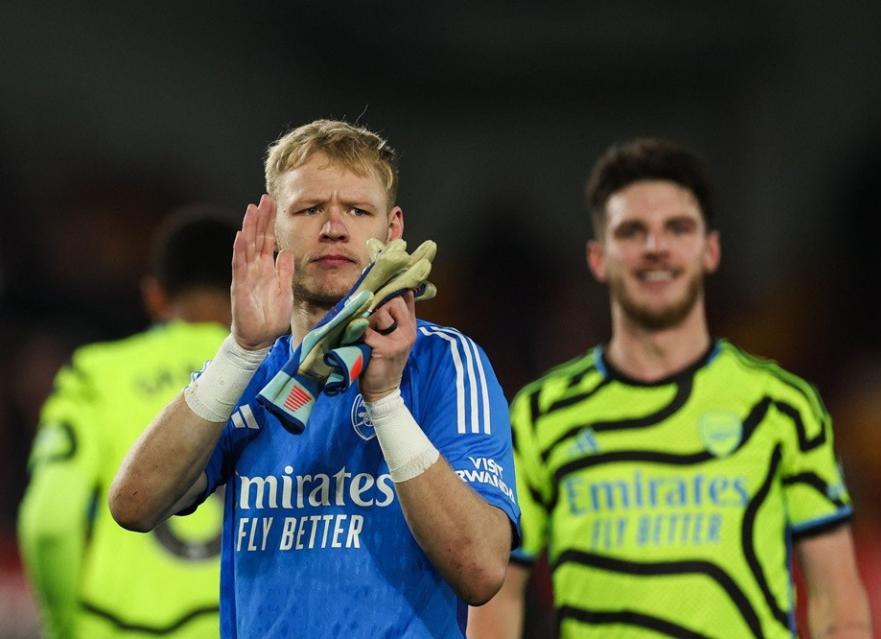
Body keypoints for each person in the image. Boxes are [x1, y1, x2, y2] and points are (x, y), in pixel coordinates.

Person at [108, 119, 520, 638]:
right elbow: (135, 504)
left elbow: (482, 570)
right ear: (274, 224)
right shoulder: (246, 370)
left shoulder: (444, 363)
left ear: (392, 230)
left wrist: (386, 400)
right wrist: (241, 350)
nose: (334, 228)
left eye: (357, 210)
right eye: (309, 210)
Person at [468, 139, 872, 638]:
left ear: (711, 250)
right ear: (597, 258)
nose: (655, 247)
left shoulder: (784, 407)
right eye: (632, 231)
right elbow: (498, 594)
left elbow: (839, 606)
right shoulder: (539, 415)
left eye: (677, 228)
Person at [18, 209, 236, 638]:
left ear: (154, 296)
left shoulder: (94, 375)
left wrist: (66, 627)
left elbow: (49, 523)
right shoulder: (284, 381)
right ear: (249, 286)